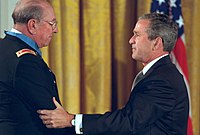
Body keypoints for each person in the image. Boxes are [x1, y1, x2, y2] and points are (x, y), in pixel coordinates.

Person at [37, 12, 189, 135]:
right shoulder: (158, 74)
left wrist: (72, 120)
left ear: (156, 42)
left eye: (137, 35)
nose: (131, 40)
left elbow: (129, 122)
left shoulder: (162, 80)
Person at [0, 0, 75, 135]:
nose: (56, 30)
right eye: (52, 23)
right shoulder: (26, 61)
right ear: (33, 25)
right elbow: (52, 118)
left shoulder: (4, 48)